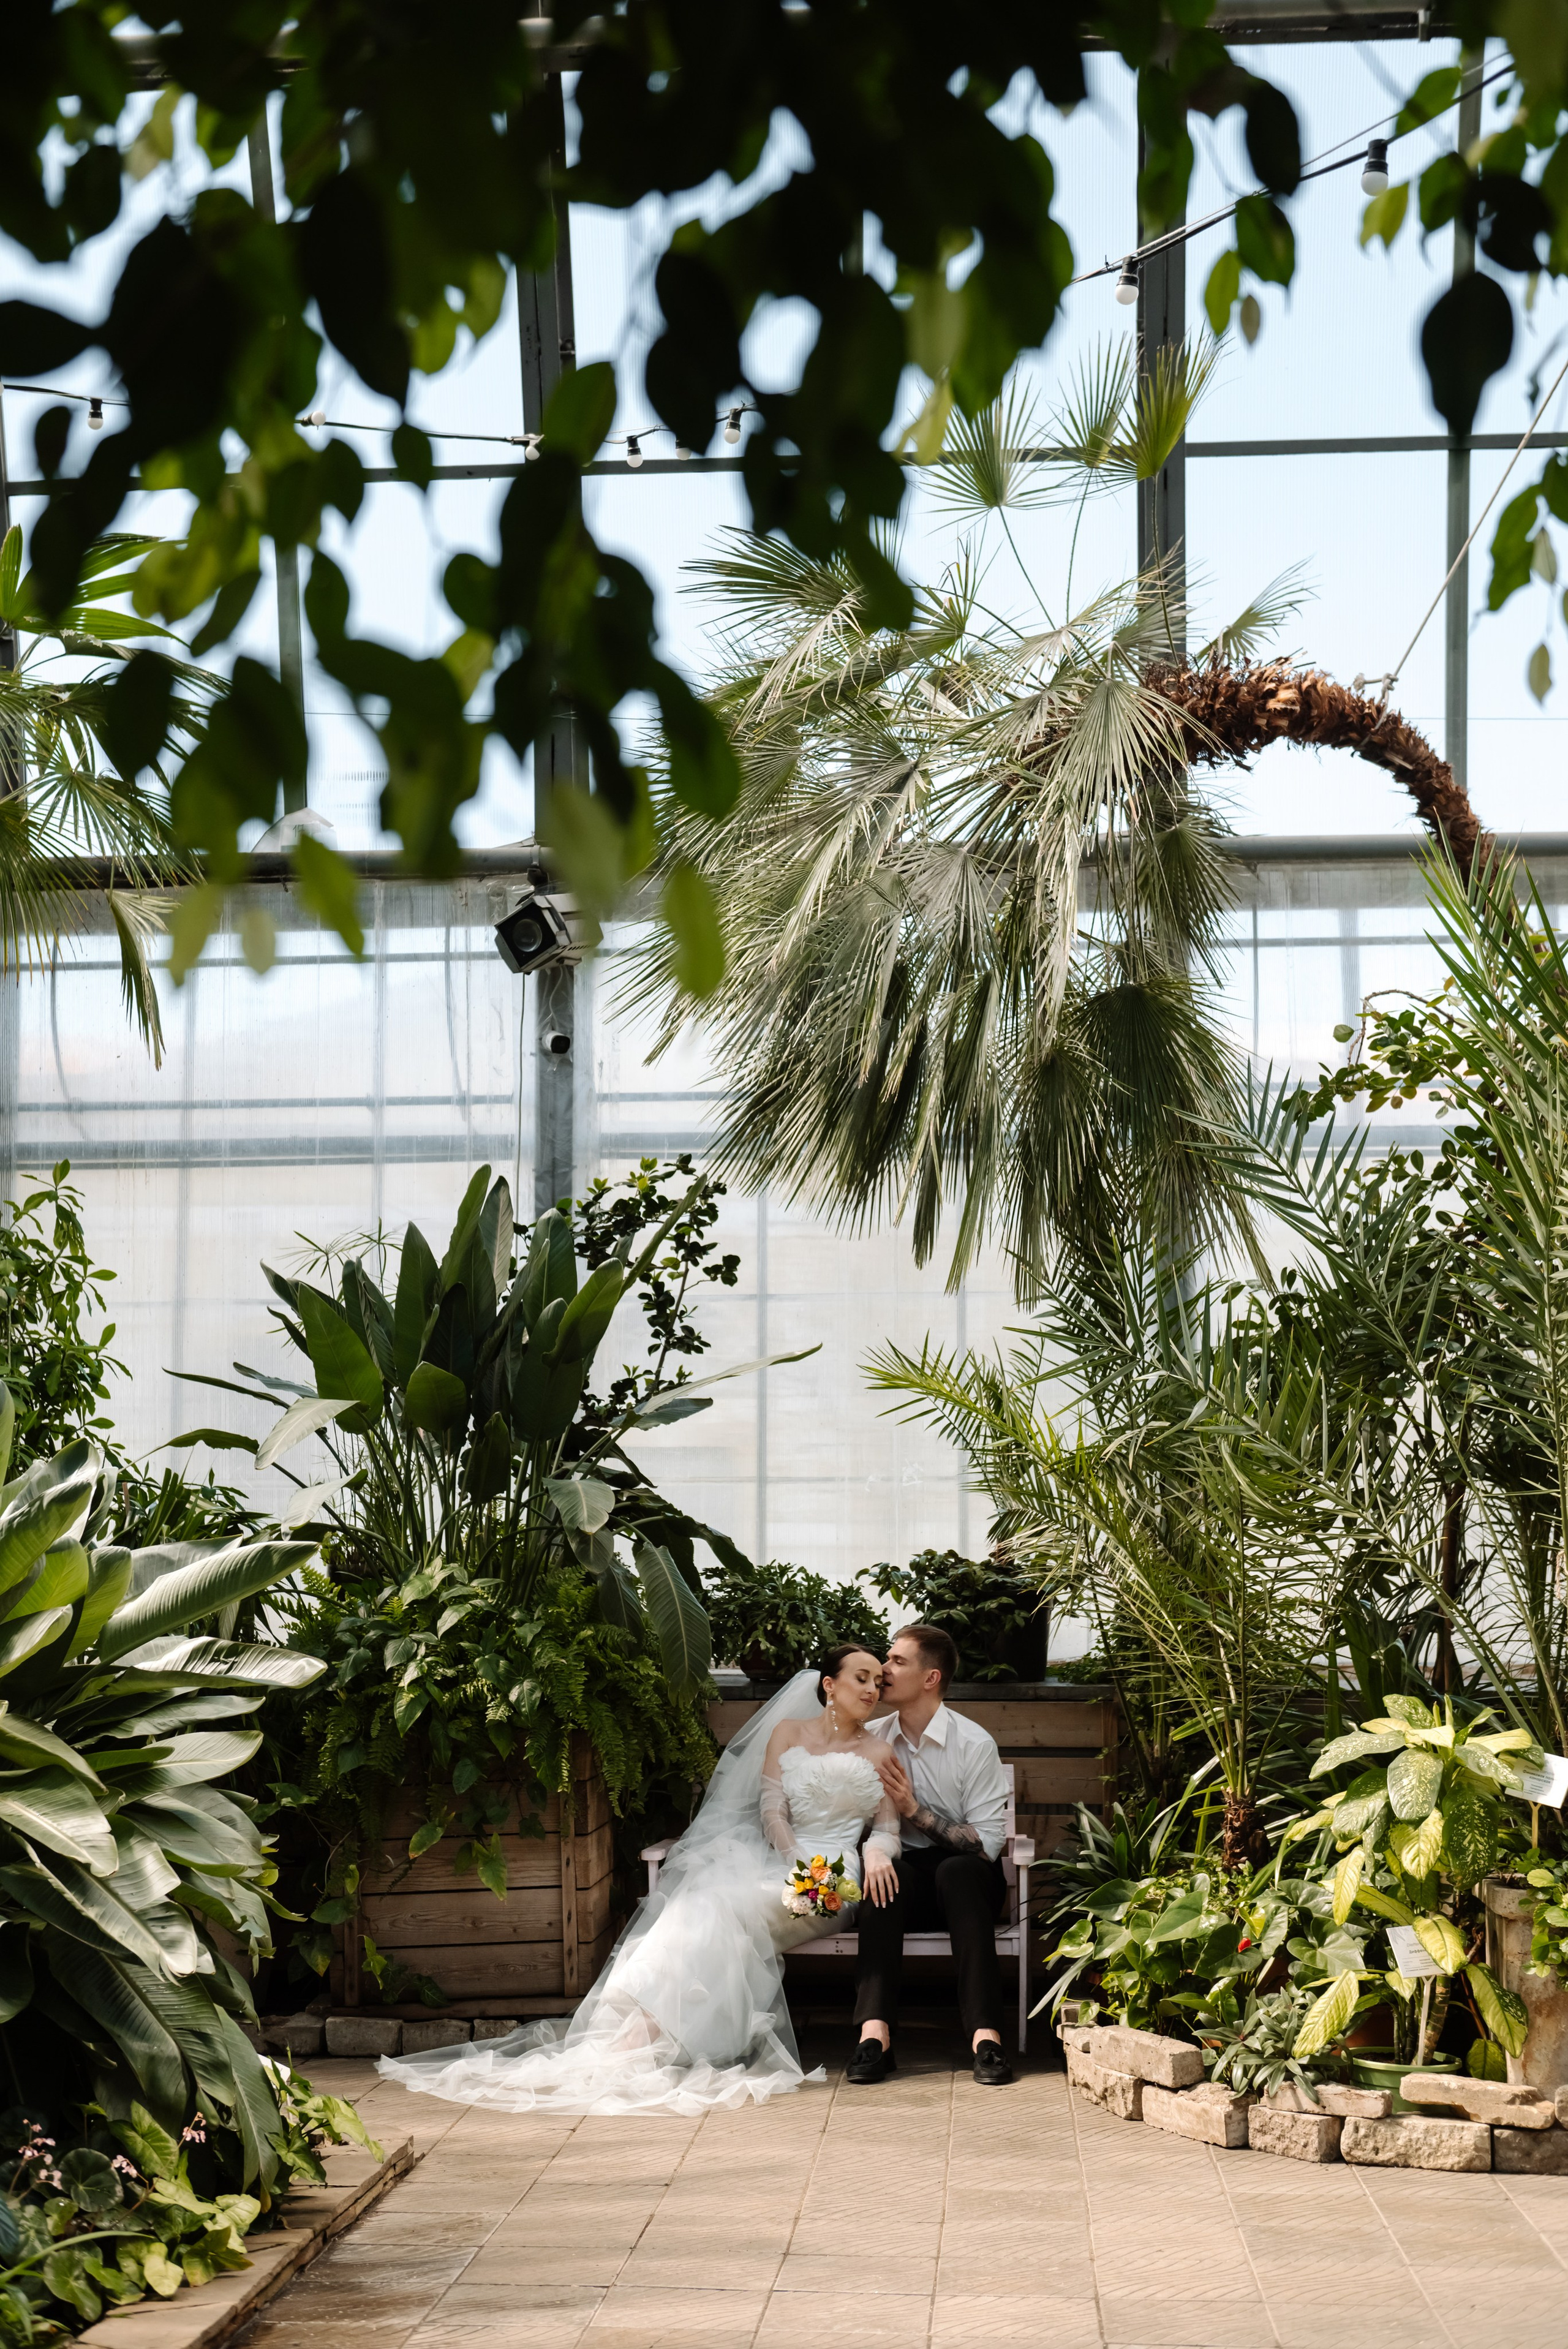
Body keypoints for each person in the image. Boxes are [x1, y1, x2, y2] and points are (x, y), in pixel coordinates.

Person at [373, 1644, 900, 2117]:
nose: (873, 1689)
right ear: (828, 1684)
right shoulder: (788, 1734)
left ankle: (638, 2037)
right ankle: (645, 2037)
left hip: (832, 1883)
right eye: (862, 1677)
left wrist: (869, 1855)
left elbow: (889, 1827)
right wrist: (792, 1857)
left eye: (879, 1681)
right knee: (707, 1902)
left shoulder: (880, 1752)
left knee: (714, 1907)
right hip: (783, 1862)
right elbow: (771, 1806)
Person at [848, 1622, 1015, 2087]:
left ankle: (987, 2037)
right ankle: (874, 2034)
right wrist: (873, 1852)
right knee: (886, 1875)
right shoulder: (875, 1737)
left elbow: (984, 1845)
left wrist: (914, 1810)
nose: (883, 1669)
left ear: (930, 1678)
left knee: (958, 1871)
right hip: (909, 1876)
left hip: (969, 1881)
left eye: (897, 1661)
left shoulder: (974, 1743)